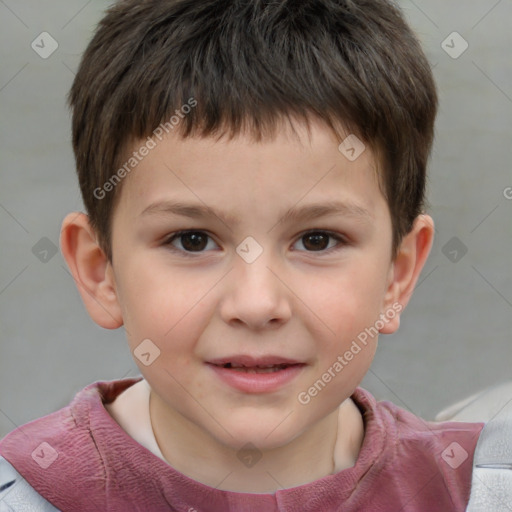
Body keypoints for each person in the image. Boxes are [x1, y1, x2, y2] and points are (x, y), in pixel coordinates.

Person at [0, 0, 491, 510]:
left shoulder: (477, 491)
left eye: (317, 240)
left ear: (398, 274)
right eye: (192, 240)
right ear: (100, 272)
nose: (257, 304)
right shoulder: (25, 495)